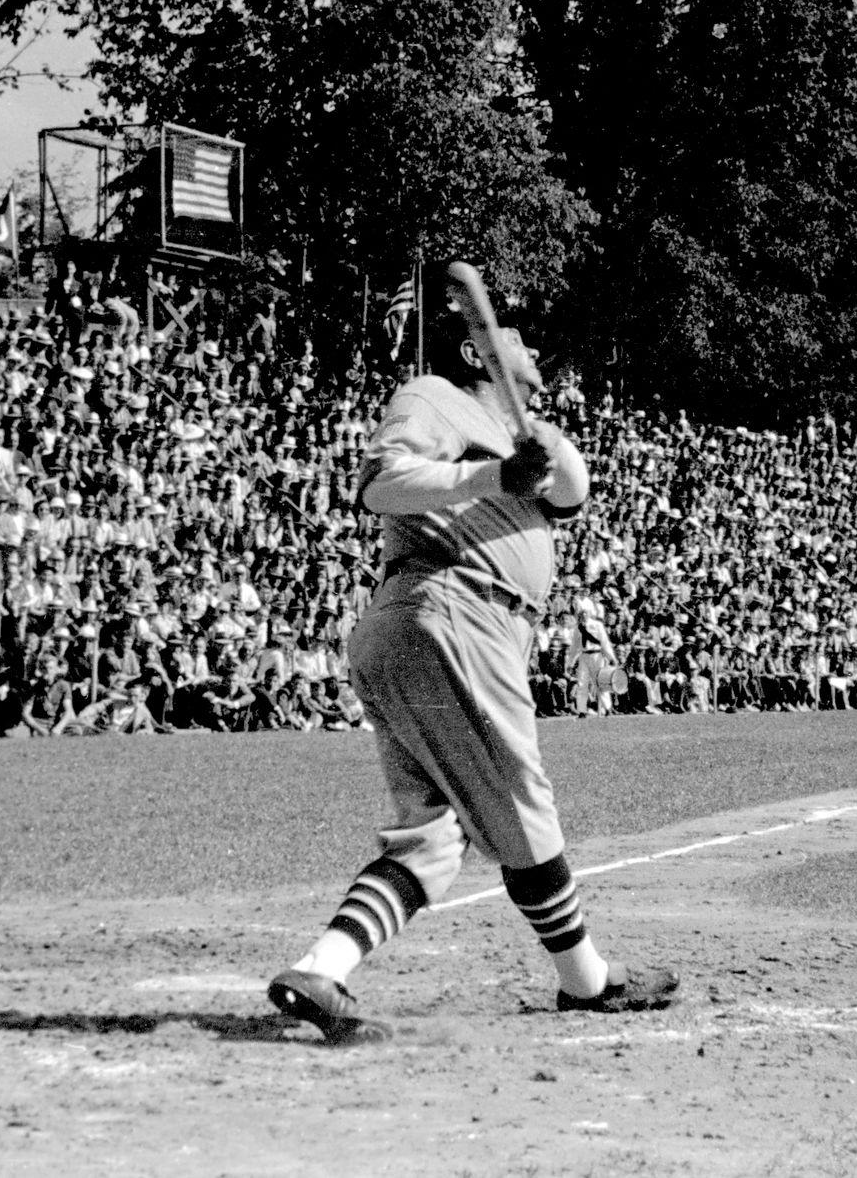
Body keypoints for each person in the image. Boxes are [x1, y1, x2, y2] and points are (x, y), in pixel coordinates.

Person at [266, 290, 678, 1043]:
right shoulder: (433, 397)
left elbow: (570, 489)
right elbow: (379, 487)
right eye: (511, 337)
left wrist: (524, 456)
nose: (529, 348)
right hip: (456, 610)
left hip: (429, 627)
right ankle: (585, 982)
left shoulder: (524, 432)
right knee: (523, 802)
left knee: (428, 838)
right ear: (473, 353)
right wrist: (489, 477)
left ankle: (320, 968)